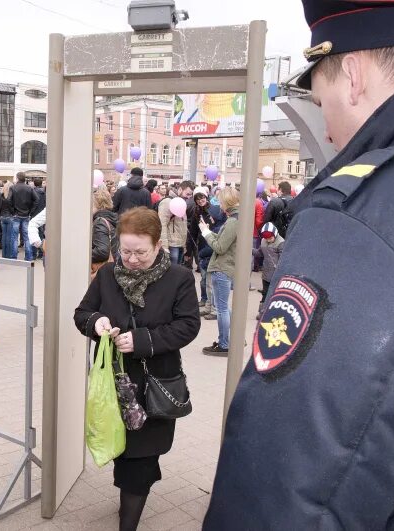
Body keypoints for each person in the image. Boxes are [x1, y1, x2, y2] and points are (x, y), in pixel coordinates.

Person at [205, 2, 394, 528]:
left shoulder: (365, 218)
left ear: (354, 76)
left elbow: (286, 489)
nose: (331, 132)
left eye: (320, 102)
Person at [74, 207, 200, 531]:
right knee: (121, 451)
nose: (130, 259)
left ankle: (127, 520)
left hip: (153, 385)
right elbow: (82, 313)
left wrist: (142, 340)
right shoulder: (106, 275)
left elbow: (188, 326)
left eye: (139, 252)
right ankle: (135, 489)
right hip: (114, 386)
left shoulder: (179, 278)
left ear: (158, 245)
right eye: (125, 250)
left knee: (139, 461)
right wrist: (96, 322)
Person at [198, 187, 239, 355]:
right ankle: (234, 338)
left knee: (221, 308)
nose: (218, 204)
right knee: (223, 307)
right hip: (227, 266)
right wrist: (207, 231)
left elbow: (220, 247)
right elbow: (223, 242)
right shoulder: (237, 219)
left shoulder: (232, 221)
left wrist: (206, 234)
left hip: (222, 267)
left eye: (220, 201)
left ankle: (225, 343)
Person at [252, 222, 284, 320]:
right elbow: (259, 253)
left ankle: (274, 313)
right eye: (266, 238)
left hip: (277, 274)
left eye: (270, 238)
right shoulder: (263, 241)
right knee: (265, 293)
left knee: (275, 294)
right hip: (266, 273)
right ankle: (262, 312)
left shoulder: (281, 243)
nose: (268, 240)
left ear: (275, 234)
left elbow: (283, 259)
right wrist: (251, 249)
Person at [8, 172, 38, 261]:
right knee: (26, 237)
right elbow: (36, 200)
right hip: (26, 215)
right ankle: (28, 257)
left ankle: (14, 257)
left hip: (16, 215)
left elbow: (9, 200)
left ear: (17, 178)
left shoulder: (13, 187)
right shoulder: (29, 188)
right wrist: (30, 212)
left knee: (14, 237)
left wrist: (12, 212)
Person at [90, 187, 118, 278]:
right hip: (113, 267)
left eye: (92, 205)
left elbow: (102, 251)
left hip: (103, 270)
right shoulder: (111, 218)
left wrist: (83, 254)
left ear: (100, 205)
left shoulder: (99, 221)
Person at [157, 190, 188, 265]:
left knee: (177, 268)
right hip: (172, 243)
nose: (189, 196)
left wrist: (184, 246)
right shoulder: (167, 202)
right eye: (188, 193)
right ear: (180, 189)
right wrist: (164, 245)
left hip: (180, 243)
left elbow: (183, 225)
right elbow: (162, 224)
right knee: (171, 269)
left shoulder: (182, 202)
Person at [0, 180, 13, 256]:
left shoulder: (1, 196)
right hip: (10, 217)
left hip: (2, 217)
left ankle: (4, 254)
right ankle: (8, 255)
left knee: (4, 236)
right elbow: (12, 207)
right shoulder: (11, 196)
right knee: (9, 237)